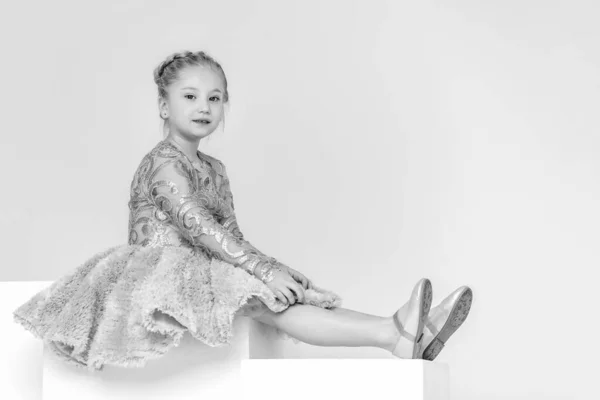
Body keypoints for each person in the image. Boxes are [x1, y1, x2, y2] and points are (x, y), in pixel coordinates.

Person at [12, 50, 473, 372]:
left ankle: (406, 332)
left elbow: (232, 230)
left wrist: (277, 267)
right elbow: (200, 227)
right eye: (190, 96)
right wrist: (263, 273)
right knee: (270, 301)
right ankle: (392, 333)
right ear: (163, 104)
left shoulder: (213, 167)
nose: (204, 106)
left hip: (204, 259)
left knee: (288, 290)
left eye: (215, 98)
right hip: (162, 269)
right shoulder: (162, 164)